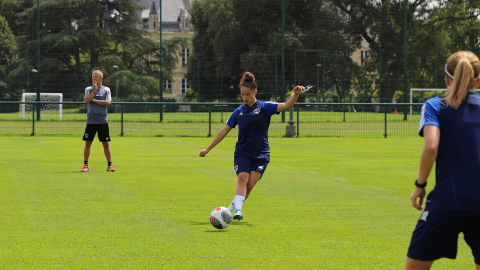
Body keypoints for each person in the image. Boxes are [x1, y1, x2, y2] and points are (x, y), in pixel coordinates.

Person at [406, 51, 480, 270]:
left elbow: (431, 146)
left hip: (448, 202)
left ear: (447, 78)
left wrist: (420, 184)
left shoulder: (434, 106)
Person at [199, 72, 305, 220]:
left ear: (255, 92)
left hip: (261, 153)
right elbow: (223, 131)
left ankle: (229, 210)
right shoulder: (238, 112)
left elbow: (287, 105)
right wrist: (208, 148)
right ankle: (238, 212)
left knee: (250, 185)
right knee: (242, 178)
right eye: (242, 94)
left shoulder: (265, 107)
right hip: (242, 152)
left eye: (247, 94)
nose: (245, 97)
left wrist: (296, 94)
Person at [81, 70, 115, 172]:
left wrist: (95, 100)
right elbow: (87, 100)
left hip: (102, 121)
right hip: (91, 121)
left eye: (96, 77)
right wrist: (95, 90)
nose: (94, 79)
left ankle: (110, 165)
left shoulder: (106, 90)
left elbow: (108, 102)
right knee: (88, 143)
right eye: (93, 77)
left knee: (106, 143)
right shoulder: (88, 89)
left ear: (101, 78)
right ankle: (85, 165)